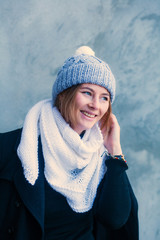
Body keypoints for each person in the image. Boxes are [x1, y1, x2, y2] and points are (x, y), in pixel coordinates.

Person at [0, 46, 139, 240]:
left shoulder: (100, 156)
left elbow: (115, 219)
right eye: (87, 93)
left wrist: (115, 150)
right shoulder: (11, 147)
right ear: (64, 94)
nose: (95, 105)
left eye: (104, 98)